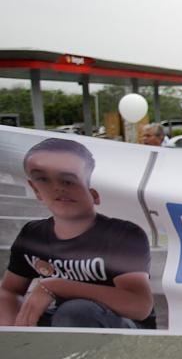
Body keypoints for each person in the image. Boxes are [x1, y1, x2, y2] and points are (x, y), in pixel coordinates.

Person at [0, 138, 153, 328]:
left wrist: (55, 286)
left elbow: (139, 305)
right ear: (35, 189)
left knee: (76, 312)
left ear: (94, 192)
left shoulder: (123, 234)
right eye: (43, 179)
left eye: (69, 180)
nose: (58, 187)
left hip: (121, 324)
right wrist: (12, 330)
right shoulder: (33, 234)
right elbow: (9, 291)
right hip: (64, 322)